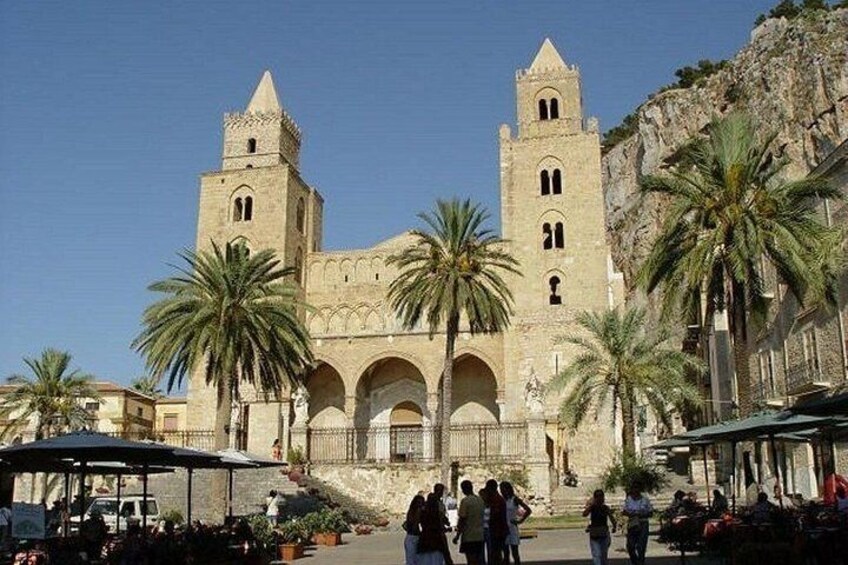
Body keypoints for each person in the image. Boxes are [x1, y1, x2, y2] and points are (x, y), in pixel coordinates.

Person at [453, 480, 485, 565]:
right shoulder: (480, 500)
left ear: (463, 490)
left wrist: (457, 536)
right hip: (480, 535)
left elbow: (462, 519)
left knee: (471, 560)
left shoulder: (465, 501)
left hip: (469, 536)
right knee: (479, 559)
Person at [500, 481, 531, 565]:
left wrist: (520, 520)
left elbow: (528, 510)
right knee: (505, 553)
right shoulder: (502, 500)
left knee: (515, 552)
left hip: (512, 527)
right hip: (503, 528)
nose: (502, 491)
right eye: (501, 489)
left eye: (503, 489)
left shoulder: (515, 499)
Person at [583, 489, 617, 565]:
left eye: (601, 496)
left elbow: (611, 518)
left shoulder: (605, 508)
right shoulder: (593, 507)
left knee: (603, 555)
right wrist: (591, 505)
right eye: (597, 497)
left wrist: (614, 526)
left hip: (603, 532)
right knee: (596, 555)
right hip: (595, 533)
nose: (600, 499)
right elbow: (584, 514)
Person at [622, 484, 652, 565]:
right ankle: (635, 562)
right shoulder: (629, 499)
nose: (635, 490)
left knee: (641, 546)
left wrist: (640, 514)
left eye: (637, 488)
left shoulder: (645, 499)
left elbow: (650, 512)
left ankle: (641, 562)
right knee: (630, 546)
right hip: (632, 523)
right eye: (634, 488)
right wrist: (631, 514)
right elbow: (624, 511)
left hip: (643, 523)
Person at [418, 493, 452, 565]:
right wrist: (447, 529)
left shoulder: (423, 512)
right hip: (436, 540)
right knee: (436, 560)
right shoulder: (437, 514)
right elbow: (437, 527)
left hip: (425, 539)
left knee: (426, 560)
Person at [485, 479, 508, 565]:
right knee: (495, 552)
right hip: (497, 529)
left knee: (496, 552)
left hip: (497, 529)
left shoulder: (497, 500)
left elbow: (496, 514)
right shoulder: (497, 499)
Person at [404, 494, 425, 565]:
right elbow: (414, 526)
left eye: (421, 503)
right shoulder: (411, 513)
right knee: (411, 560)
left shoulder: (422, 513)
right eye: (418, 503)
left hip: (418, 538)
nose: (419, 505)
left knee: (419, 560)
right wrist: (418, 513)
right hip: (411, 537)